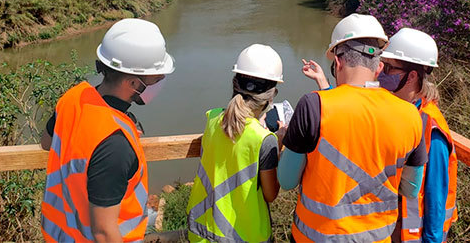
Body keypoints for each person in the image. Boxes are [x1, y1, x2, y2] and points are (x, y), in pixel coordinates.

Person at [278, 13, 428, 242]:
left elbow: (286, 180)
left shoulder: (314, 105)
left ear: (337, 62)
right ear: (378, 68)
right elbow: (410, 189)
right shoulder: (411, 115)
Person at [40, 18, 175, 242]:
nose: (161, 82)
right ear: (133, 84)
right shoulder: (115, 144)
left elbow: (47, 142)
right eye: (157, 78)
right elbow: (104, 232)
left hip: (60, 235)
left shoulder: (74, 98)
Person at [187, 44, 287, 242]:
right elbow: (270, 194)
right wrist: (278, 143)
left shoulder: (212, 119)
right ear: (271, 97)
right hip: (244, 235)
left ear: (234, 84)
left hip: (201, 231)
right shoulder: (265, 140)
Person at [378, 28, 458, 243]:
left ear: (411, 76)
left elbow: (436, 199)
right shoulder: (399, 110)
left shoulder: (430, 127)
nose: (381, 73)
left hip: (412, 236)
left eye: (389, 68)